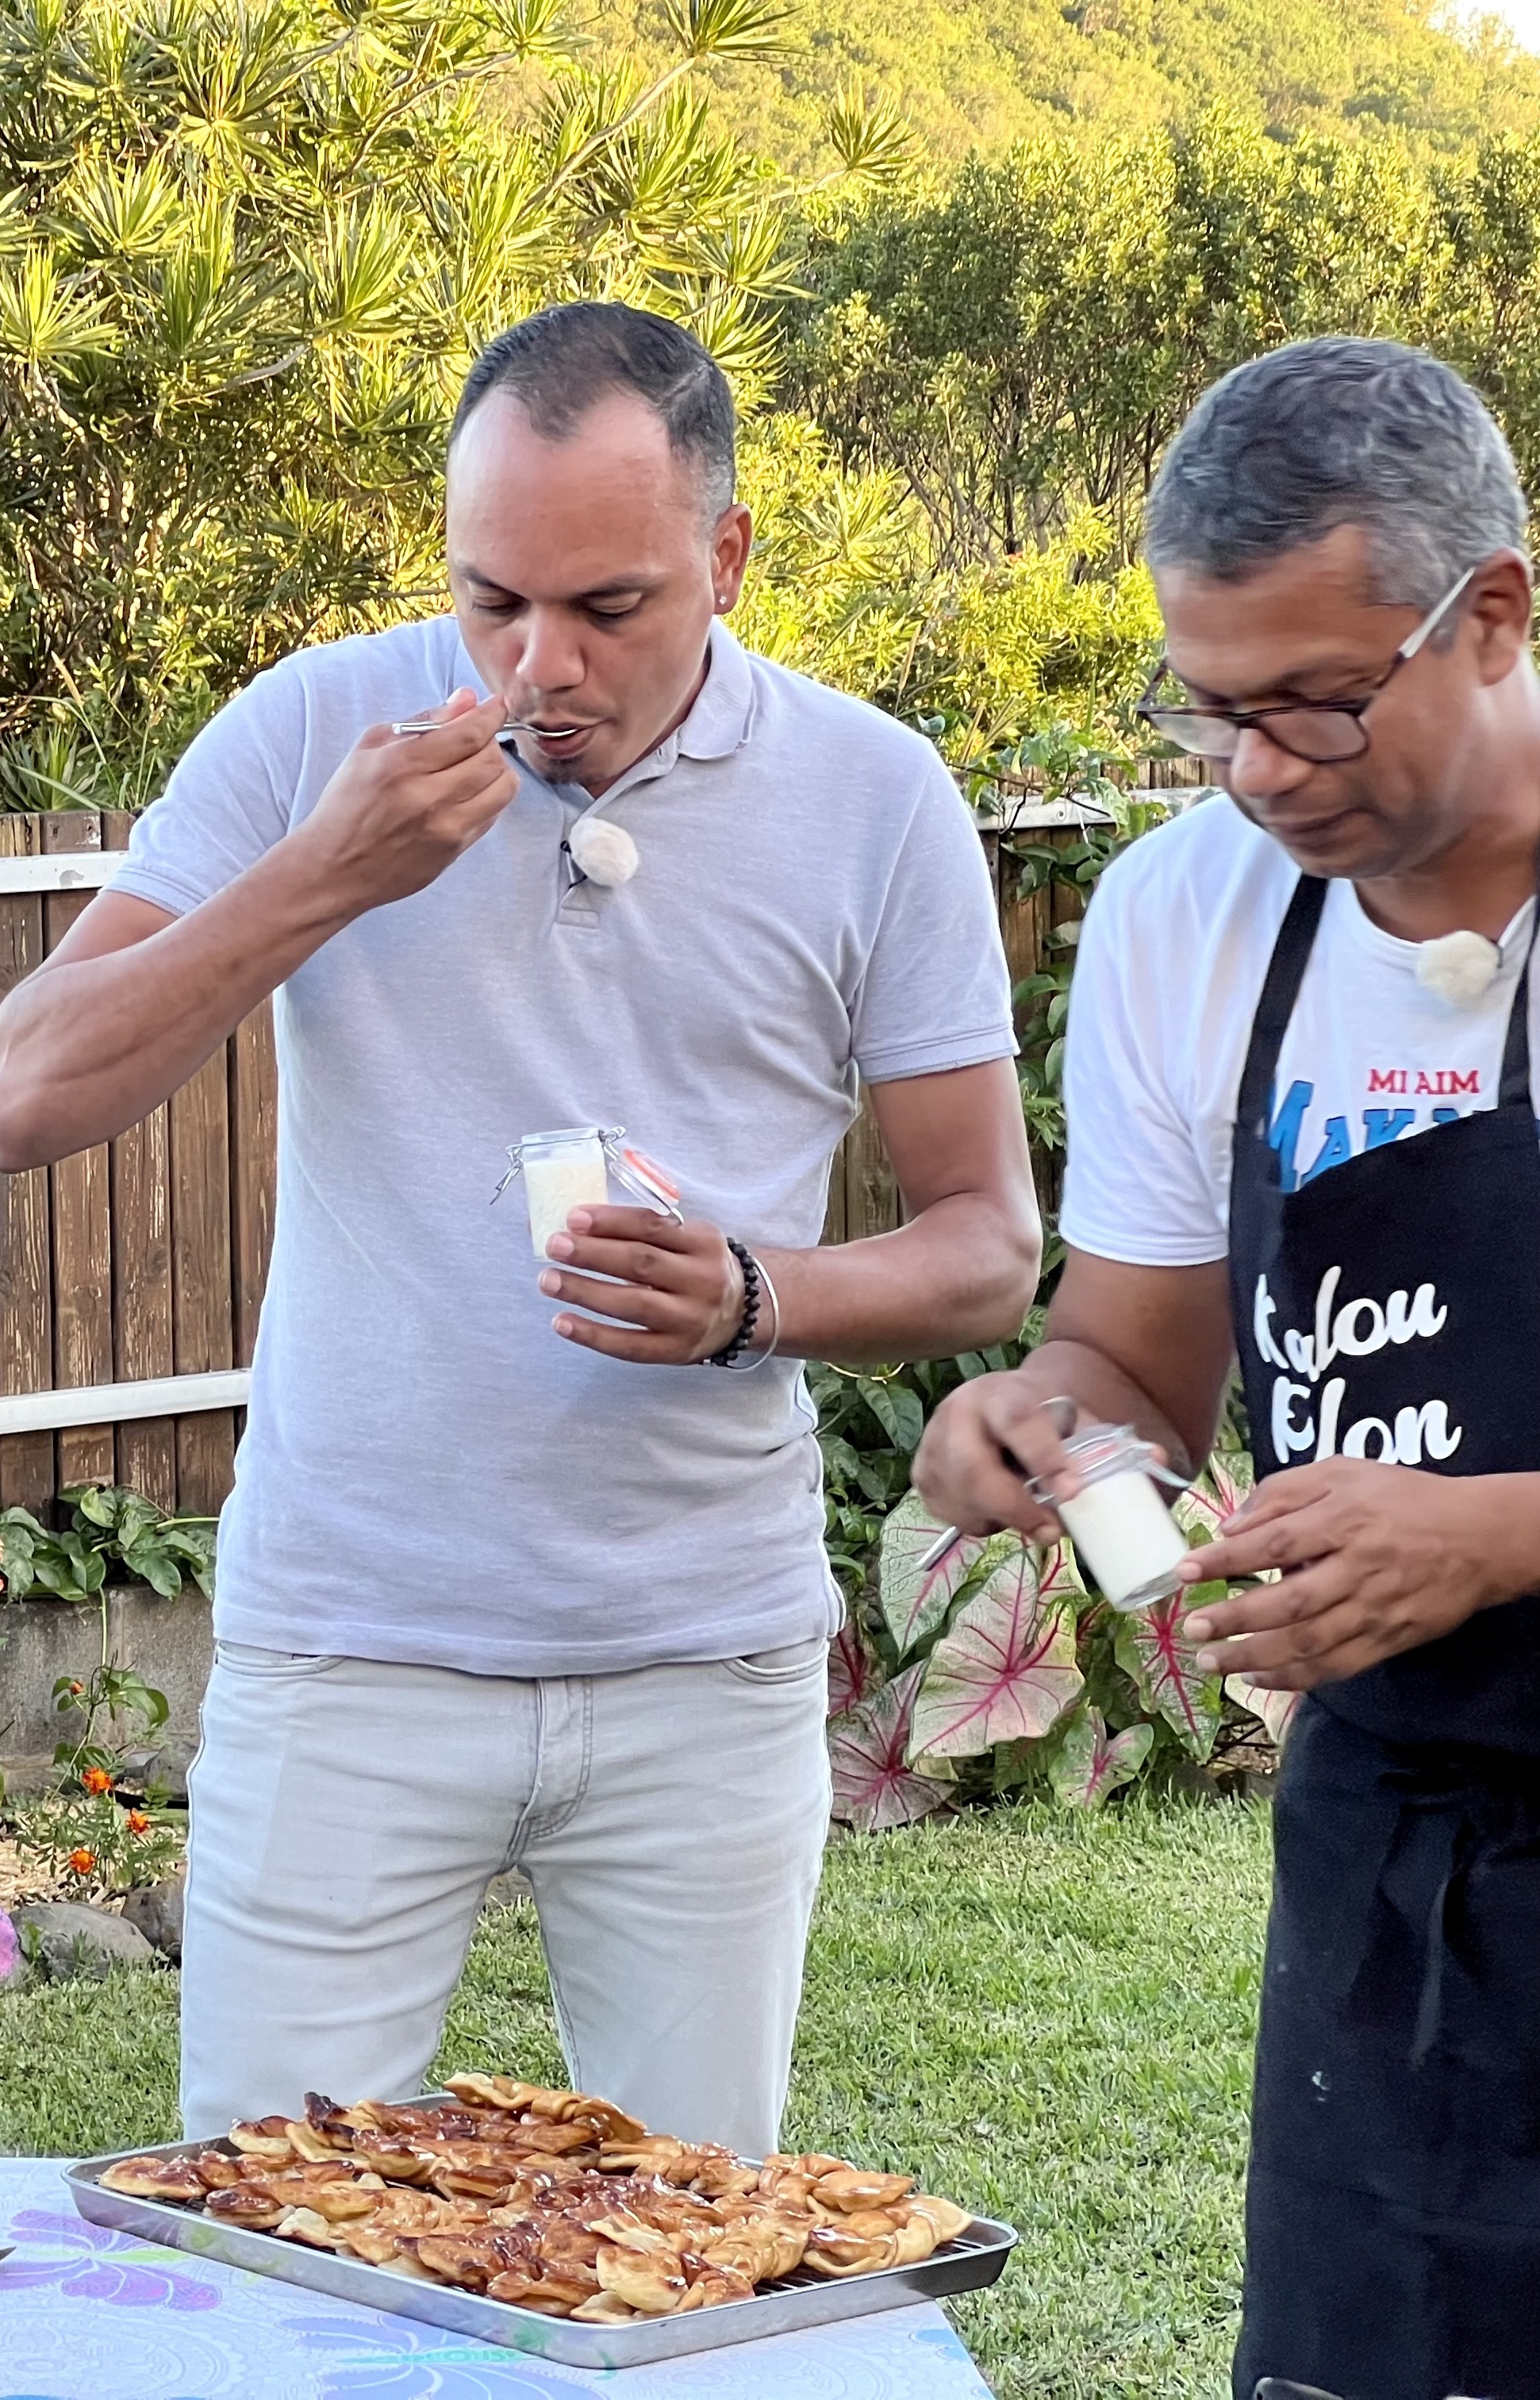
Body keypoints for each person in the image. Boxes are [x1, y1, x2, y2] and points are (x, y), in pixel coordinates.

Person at [0, 302, 1039, 2152]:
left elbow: (986, 1246)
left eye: (608, 608)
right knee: (278, 2251)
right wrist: (328, 869)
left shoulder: (875, 799)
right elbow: (26, 1098)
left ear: (725, 559)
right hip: (353, 1648)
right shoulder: (323, 730)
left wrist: (750, 1296)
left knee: (673, 2264)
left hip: (702, 1659)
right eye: (491, 601)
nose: (539, 664)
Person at [914, 338, 1540, 2400]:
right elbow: (1140, 1350)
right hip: (1392, 1856)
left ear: (1499, 614)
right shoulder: (1193, 915)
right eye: (1215, 709)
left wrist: (1495, 1529)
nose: (1263, 769)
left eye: (1319, 699)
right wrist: (1051, 1412)